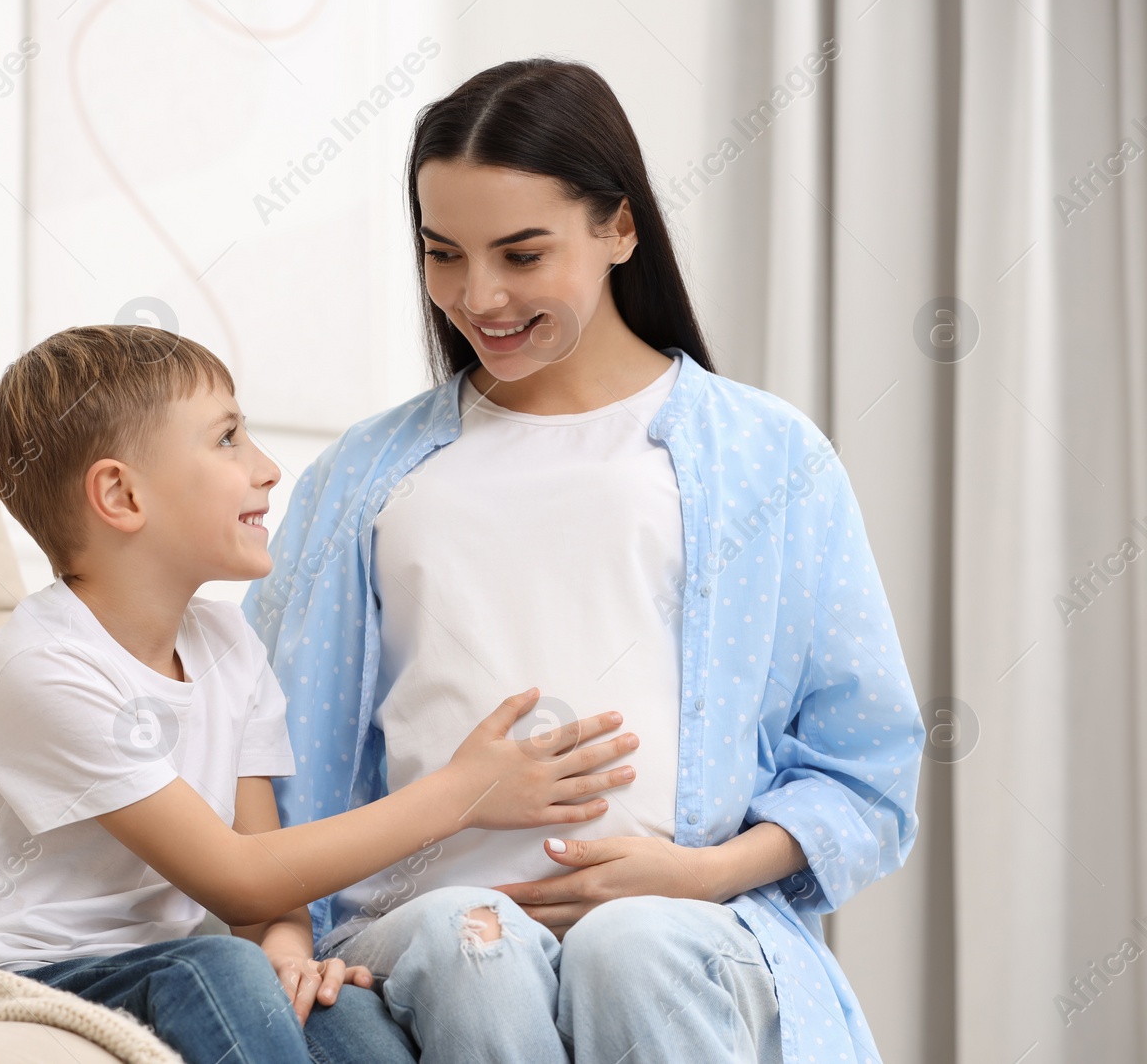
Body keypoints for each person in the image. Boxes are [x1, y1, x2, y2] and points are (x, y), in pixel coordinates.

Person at [239, 58, 925, 1064]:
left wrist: (701, 874)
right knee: (466, 938)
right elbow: (261, 739)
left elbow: (864, 770)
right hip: (421, 925)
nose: (478, 295)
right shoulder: (364, 474)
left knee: (630, 944)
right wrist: (282, 922)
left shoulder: (769, 458)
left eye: (521, 253)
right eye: (442, 253)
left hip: (688, 928)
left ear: (619, 226)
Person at [0, 324, 641, 1064]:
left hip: (169, 964)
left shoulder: (229, 646)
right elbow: (238, 877)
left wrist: (289, 954)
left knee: (349, 1016)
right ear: (120, 493)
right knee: (215, 967)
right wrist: (464, 792)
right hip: (22, 974)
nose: (268, 468)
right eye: (227, 440)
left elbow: (269, 886)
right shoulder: (43, 663)